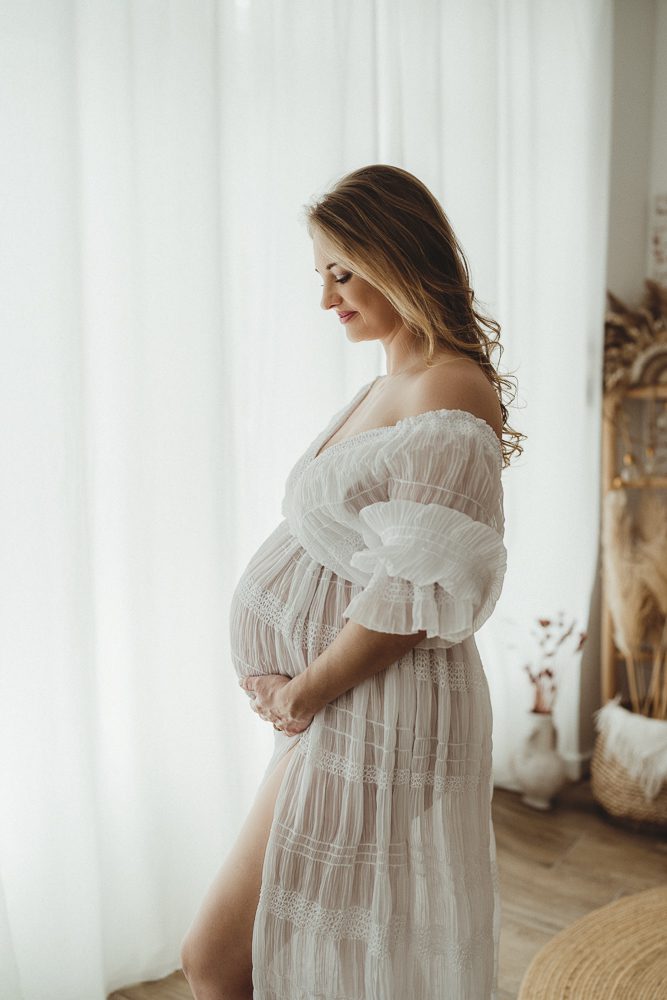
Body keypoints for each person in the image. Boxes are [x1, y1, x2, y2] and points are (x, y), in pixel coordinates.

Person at [180, 163, 524, 1000]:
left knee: (215, 958)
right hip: (341, 699)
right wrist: (292, 683)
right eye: (321, 274)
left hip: (378, 702)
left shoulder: (447, 387)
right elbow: (351, 559)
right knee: (289, 949)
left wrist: (305, 689)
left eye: (342, 272)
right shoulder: (389, 383)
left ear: (398, 255)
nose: (327, 298)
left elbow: (416, 594)